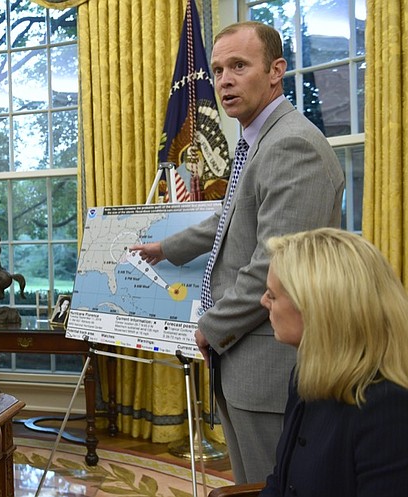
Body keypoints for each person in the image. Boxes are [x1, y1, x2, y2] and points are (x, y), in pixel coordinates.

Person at [130, 21, 344, 483]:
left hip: (269, 368)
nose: (224, 80)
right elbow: (230, 218)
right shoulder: (258, 140)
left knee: (273, 485)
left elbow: (273, 266)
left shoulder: (290, 145)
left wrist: (210, 327)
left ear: (275, 72)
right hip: (245, 362)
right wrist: (165, 247)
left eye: (239, 66)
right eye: (218, 68)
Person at [258, 228, 408, 495]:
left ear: (316, 308)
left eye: (272, 295)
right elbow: (280, 481)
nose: (263, 301)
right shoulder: (304, 376)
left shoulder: (389, 407)